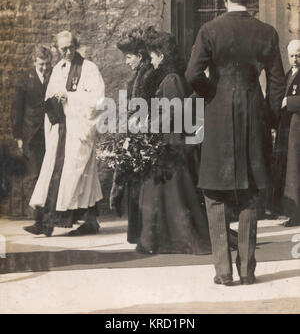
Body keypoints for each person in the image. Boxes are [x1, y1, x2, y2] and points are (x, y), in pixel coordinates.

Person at [185, 0, 286, 285]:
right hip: (254, 113)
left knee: (215, 194)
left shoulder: (210, 30)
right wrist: (268, 116)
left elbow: (192, 75)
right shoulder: (266, 32)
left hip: (217, 116)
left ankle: (223, 271)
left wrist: (213, 96)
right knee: (251, 193)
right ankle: (248, 271)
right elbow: (278, 81)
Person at [136, 27, 212, 255]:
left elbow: (174, 113)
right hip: (171, 142)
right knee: (166, 195)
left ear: (161, 54)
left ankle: (167, 240)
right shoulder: (173, 76)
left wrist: (148, 124)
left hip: (171, 143)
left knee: (168, 195)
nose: (151, 60)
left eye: (152, 55)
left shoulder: (170, 79)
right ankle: (162, 240)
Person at [24, 31, 105, 237]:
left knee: (78, 178)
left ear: (76, 45)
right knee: (55, 174)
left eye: (70, 47)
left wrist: (68, 98)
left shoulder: (88, 68)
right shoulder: (58, 69)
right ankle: (47, 223)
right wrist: (56, 100)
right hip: (61, 131)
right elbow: (49, 98)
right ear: (57, 50)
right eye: (63, 49)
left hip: (78, 131)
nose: (67, 52)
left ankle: (82, 222)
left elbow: (97, 100)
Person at [109, 27, 155, 243]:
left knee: (139, 187)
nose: (126, 62)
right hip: (137, 135)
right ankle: (138, 233)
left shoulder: (146, 77)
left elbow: (142, 110)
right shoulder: (140, 74)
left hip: (142, 137)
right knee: (136, 187)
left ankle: (141, 234)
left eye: (129, 57)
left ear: (139, 55)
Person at [11, 45, 52, 218]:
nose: (44, 68)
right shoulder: (24, 79)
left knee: (48, 173)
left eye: (47, 64)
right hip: (31, 134)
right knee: (34, 174)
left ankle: (46, 215)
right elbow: (16, 110)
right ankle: (36, 217)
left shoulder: (53, 77)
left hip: (49, 133)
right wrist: (18, 136)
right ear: (34, 61)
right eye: (41, 64)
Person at [274, 39, 300, 227]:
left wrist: (289, 102)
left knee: (295, 170)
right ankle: (291, 212)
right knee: (289, 169)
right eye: (292, 56)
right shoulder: (289, 73)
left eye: (298, 55)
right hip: (289, 127)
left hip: (297, 127)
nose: (295, 59)